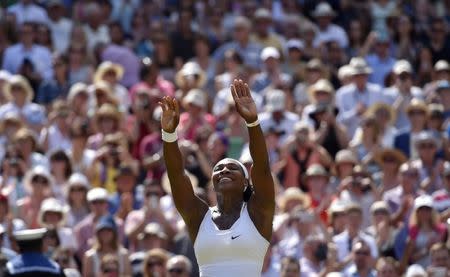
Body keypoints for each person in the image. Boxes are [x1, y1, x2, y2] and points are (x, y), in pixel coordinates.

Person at [159, 79, 275, 276]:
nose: (224, 171)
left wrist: (252, 122)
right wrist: (169, 134)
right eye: (219, 169)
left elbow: (262, 167)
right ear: (212, 182)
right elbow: (176, 175)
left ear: (246, 182)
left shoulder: (259, 212)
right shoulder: (198, 216)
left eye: (232, 168)